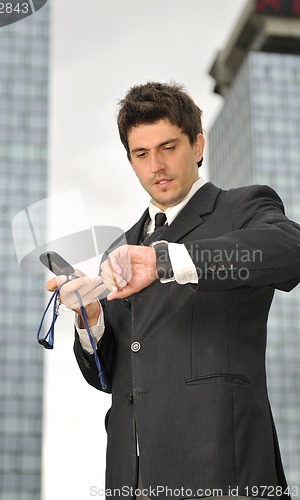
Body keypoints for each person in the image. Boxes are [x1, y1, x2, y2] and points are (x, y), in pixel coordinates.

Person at [46, 82, 300, 500]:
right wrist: (89, 319)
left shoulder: (242, 208)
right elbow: (106, 376)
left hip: (223, 468)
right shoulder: (122, 246)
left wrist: (167, 261)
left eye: (168, 147)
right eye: (141, 154)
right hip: (133, 478)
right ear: (130, 161)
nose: (156, 166)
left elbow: (289, 251)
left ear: (197, 145)